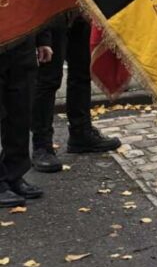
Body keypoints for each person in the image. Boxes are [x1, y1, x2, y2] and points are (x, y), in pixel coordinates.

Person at [30, 17, 121, 173]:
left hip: (79, 9)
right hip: (52, 8)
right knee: (48, 80)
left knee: (82, 72)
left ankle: (81, 132)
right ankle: (42, 145)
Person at [1, 32, 51, 207]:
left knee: (20, 111)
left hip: (21, 40)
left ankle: (14, 174)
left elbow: (32, 5)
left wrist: (42, 40)